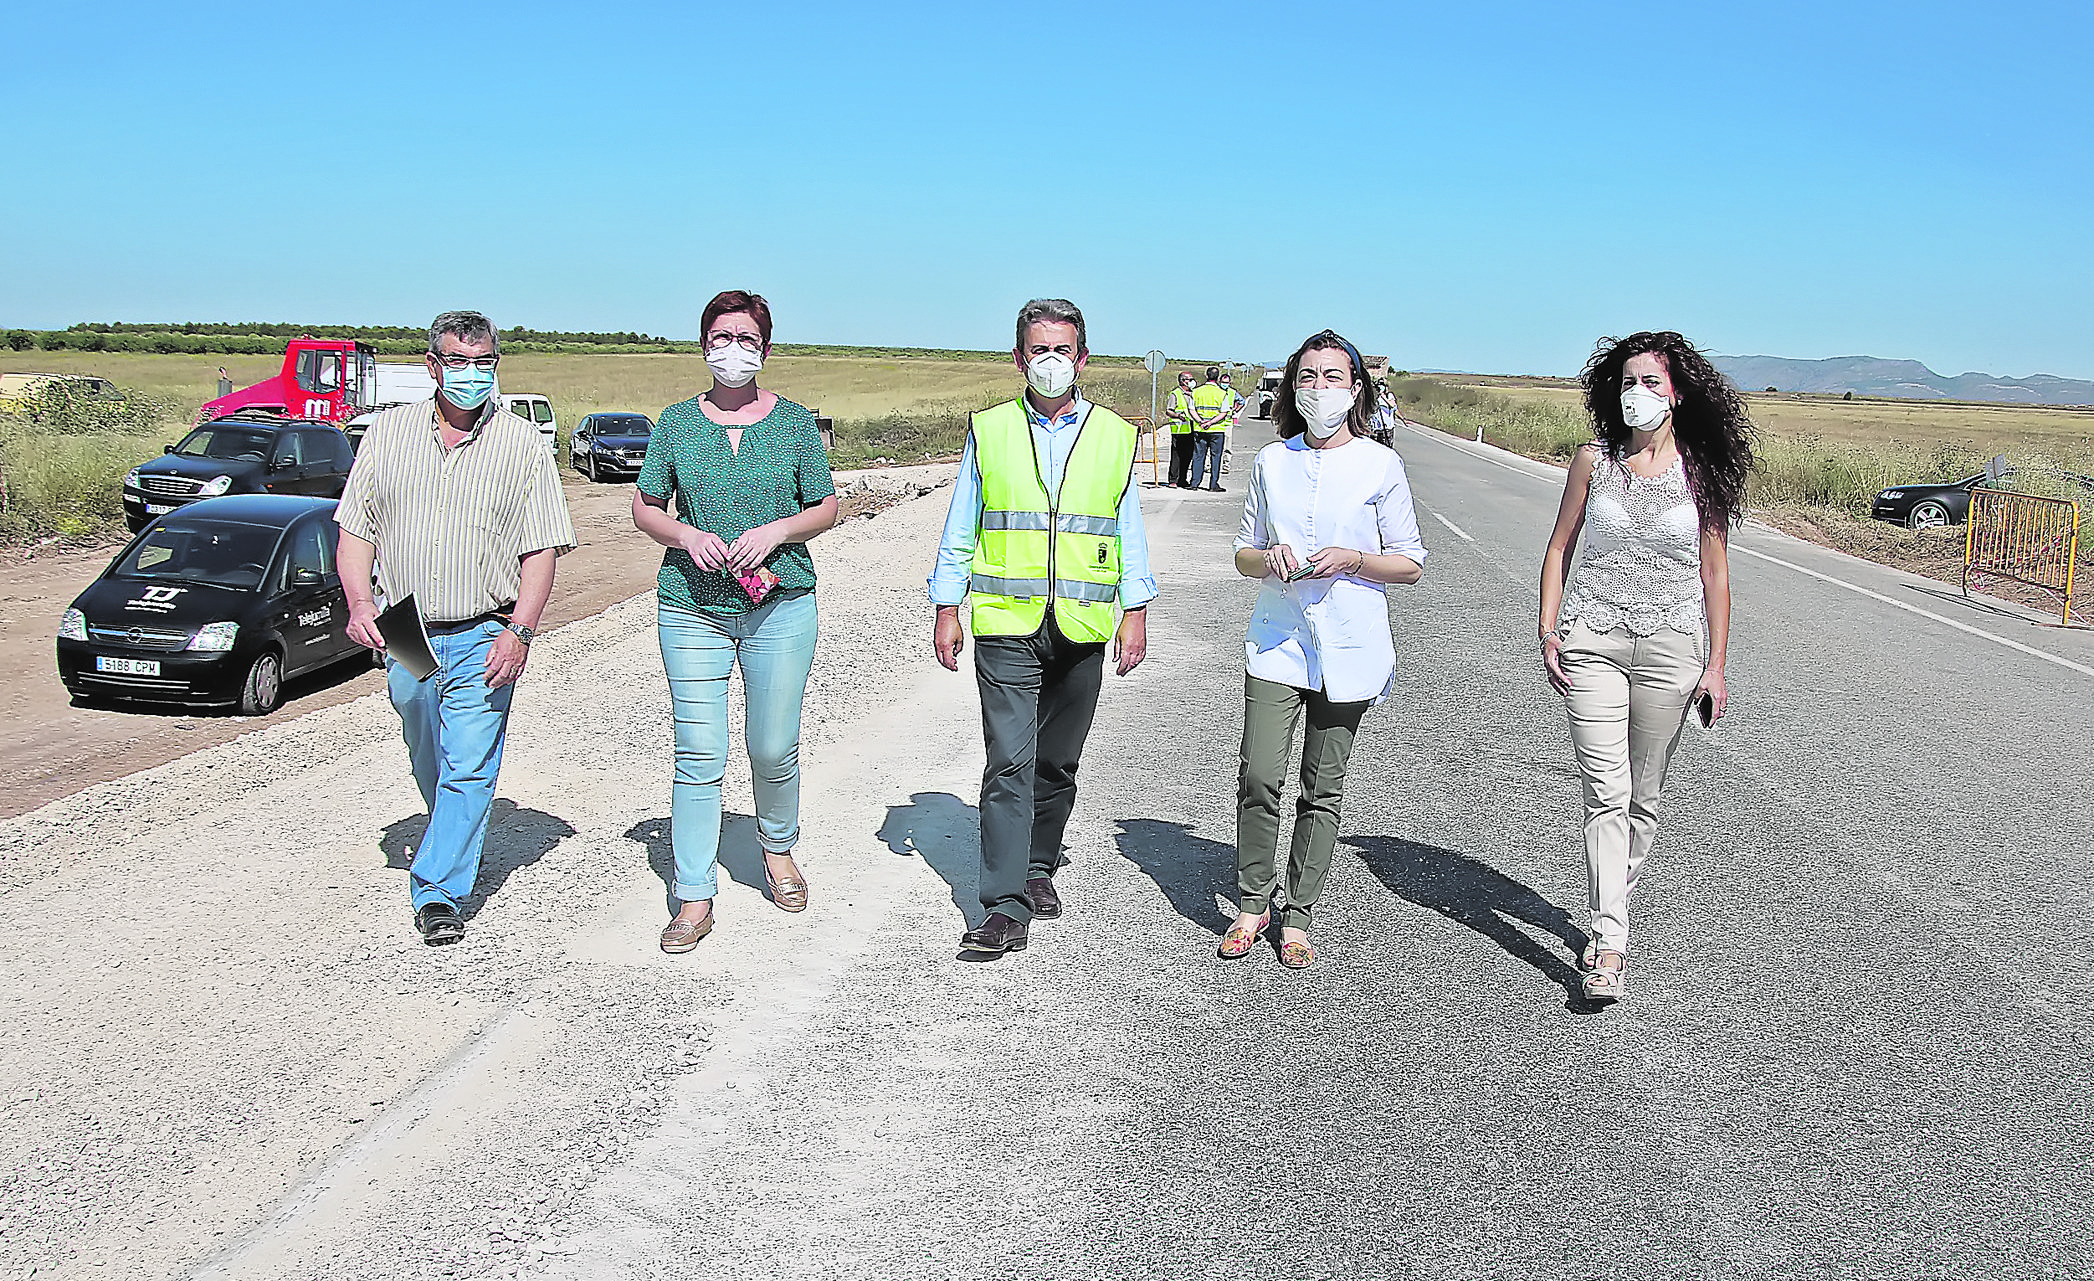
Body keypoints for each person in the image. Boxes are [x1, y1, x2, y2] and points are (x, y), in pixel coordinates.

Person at [337, 310, 576, 945]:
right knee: (427, 741)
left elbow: (542, 548)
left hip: (483, 628)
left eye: (485, 363)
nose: (473, 375)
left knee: (469, 762)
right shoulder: (386, 436)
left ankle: (438, 890)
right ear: (432, 366)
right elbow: (355, 531)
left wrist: (520, 631)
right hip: (406, 631)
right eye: (460, 362)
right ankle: (451, 825)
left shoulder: (524, 446)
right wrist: (360, 603)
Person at [929, 298, 1156, 957]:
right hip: (1006, 622)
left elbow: (1127, 527)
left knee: (1056, 761)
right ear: (1019, 358)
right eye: (1039, 349)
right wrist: (948, 604)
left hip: (1083, 623)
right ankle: (1003, 905)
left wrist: (1134, 609)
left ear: (1082, 359)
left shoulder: (1114, 434)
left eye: (1063, 349)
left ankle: (1038, 865)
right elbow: (962, 521)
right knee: (1009, 762)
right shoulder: (991, 429)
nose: (1050, 361)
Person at [1538, 330, 1755, 1003]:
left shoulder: (1701, 471)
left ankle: (1611, 908)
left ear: (1677, 393)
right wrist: (1548, 628)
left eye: (1651, 382)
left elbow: (1715, 574)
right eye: (1628, 382)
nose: (1637, 394)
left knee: (1644, 796)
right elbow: (1560, 546)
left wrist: (1717, 664)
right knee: (1605, 791)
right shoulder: (1593, 460)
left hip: (1674, 646)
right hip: (1592, 639)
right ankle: (1609, 940)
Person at [633, 290, 840, 953]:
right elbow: (645, 506)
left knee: (772, 745)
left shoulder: (794, 424)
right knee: (699, 751)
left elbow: (827, 505)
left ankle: (777, 847)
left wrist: (779, 528)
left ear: (766, 349)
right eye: (721, 337)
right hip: (691, 605)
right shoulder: (674, 423)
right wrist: (686, 536)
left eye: (746, 338)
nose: (733, 349)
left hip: (781, 604)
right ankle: (694, 892)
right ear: (703, 346)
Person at [1224, 330, 1426, 969]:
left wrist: (1355, 560)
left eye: (1333, 377)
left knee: (1322, 784)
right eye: (1307, 377)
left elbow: (1410, 564)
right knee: (1260, 773)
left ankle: (1299, 913)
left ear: (1357, 389)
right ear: (1292, 388)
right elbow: (1243, 551)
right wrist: (1270, 558)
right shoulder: (1271, 461)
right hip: (1279, 639)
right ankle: (1253, 901)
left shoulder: (1379, 464)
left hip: (1350, 640)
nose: (1319, 389)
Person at [1189, 366, 1232, 491]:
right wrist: (1211, 422)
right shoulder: (1222, 393)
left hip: (1200, 428)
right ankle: (1213, 484)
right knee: (1216, 457)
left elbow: (1191, 409)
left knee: (1198, 456)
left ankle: (1194, 483)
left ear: (1206, 376)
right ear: (1218, 378)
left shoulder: (1196, 392)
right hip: (1216, 430)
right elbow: (1223, 412)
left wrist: (1201, 421)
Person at [1164, 370, 1197, 488]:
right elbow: (1169, 410)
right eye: (1190, 379)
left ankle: (1183, 479)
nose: (1192, 382)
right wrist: (1178, 416)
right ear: (1183, 381)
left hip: (1191, 429)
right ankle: (1173, 479)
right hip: (1179, 429)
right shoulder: (1176, 394)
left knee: (1188, 456)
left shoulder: (1193, 393)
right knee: (1177, 455)